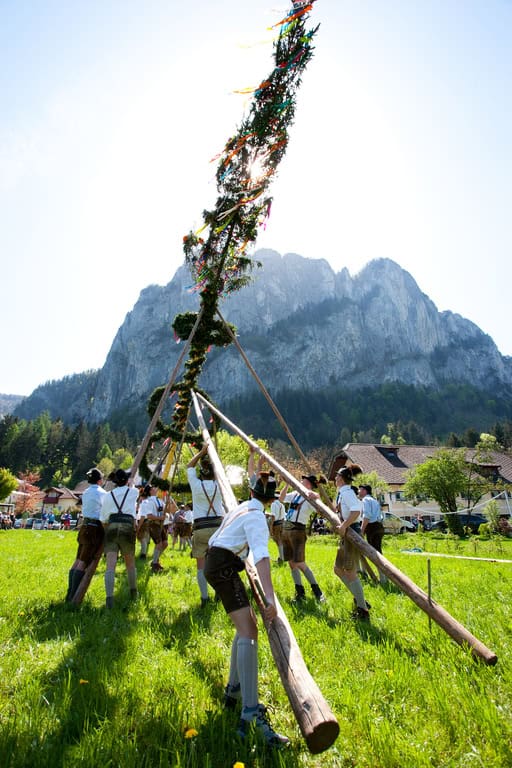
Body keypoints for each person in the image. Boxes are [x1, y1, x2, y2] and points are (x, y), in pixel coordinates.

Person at [204, 477, 289, 748]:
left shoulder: (242, 507)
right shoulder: (256, 518)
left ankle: (234, 690)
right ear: (272, 500)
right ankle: (250, 713)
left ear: (251, 492)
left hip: (217, 561)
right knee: (249, 631)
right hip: (223, 566)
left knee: (245, 626)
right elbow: (262, 556)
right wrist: (270, 599)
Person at [187, 445, 225, 607]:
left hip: (201, 528)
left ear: (201, 475)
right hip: (219, 528)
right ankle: (219, 592)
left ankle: (204, 598)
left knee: (201, 566)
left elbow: (189, 466)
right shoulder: (219, 485)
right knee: (219, 564)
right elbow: (221, 472)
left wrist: (201, 453)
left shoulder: (196, 486)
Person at [279, 475, 325, 603]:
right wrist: (287, 484)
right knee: (291, 563)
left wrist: (317, 496)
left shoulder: (311, 498)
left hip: (298, 530)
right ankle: (300, 593)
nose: (300, 481)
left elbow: (320, 510)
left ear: (308, 484)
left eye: (303, 480)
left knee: (299, 562)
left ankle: (318, 592)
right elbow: (281, 499)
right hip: (287, 529)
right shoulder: (295, 493)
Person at [333, 467, 370, 621]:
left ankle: (363, 610)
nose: (335, 479)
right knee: (338, 569)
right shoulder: (342, 493)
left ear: (341, 478)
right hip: (348, 532)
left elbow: (356, 511)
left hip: (352, 532)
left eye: (336, 477)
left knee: (350, 571)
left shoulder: (347, 493)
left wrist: (343, 526)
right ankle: (361, 601)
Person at [65, 468, 106, 602]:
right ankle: (73, 595)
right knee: (83, 562)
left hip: (84, 526)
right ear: (100, 480)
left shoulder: (86, 492)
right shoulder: (102, 493)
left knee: (78, 560)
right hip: (94, 528)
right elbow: (106, 510)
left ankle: (70, 592)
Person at [100, 468, 140, 609]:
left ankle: (109, 599)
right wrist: (131, 482)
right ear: (126, 480)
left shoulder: (107, 495)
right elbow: (134, 488)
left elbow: (103, 519)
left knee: (110, 565)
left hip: (111, 526)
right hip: (127, 527)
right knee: (130, 563)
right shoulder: (133, 492)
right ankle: (133, 592)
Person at [137, 484, 170, 573]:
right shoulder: (148, 501)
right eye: (154, 488)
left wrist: (168, 502)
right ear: (151, 491)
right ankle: (155, 564)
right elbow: (149, 516)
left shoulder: (160, 500)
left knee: (165, 543)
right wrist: (160, 518)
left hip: (161, 524)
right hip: (153, 524)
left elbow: (167, 510)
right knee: (158, 544)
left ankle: (155, 559)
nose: (156, 488)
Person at [359, 484, 387, 585]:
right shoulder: (374, 500)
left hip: (372, 527)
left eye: (360, 489)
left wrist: (362, 530)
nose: (358, 491)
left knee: (375, 554)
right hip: (379, 526)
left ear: (365, 491)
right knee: (378, 552)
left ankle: (383, 578)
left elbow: (367, 515)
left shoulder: (365, 500)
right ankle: (384, 576)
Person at [269, 492, 285, 563]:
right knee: (280, 541)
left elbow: (273, 517)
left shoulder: (273, 504)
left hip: (276, 524)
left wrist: (271, 527)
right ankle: (281, 557)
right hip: (282, 523)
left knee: (278, 541)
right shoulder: (282, 505)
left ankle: (281, 558)